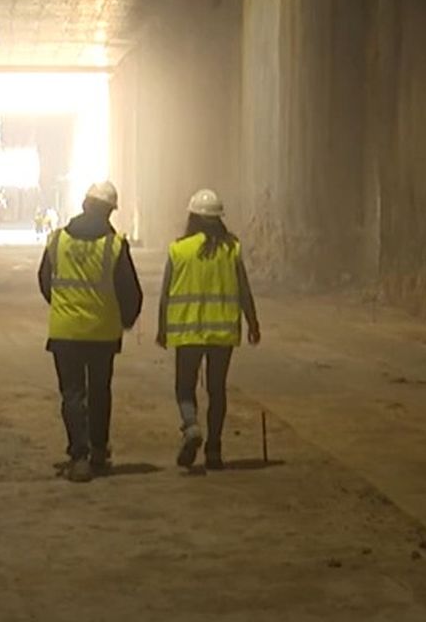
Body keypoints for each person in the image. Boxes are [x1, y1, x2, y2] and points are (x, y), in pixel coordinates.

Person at [38, 181, 142, 483]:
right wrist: (125, 319)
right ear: (110, 211)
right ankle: (98, 450)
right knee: (100, 391)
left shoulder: (57, 241)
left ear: (84, 205)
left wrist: (62, 307)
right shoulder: (114, 245)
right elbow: (130, 291)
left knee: (72, 394)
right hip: (102, 333)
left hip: (65, 332)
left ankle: (79, 456)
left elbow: (45, 281)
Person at [156, 189, 261, 471]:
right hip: (222, 332)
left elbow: (166, 293)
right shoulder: (231, 249)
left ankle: (191, 427)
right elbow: (244, 290)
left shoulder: (179, 249)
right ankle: (214, 450)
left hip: (187, 332)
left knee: (185, 387)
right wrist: (253, 322)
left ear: (192, 217)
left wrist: (161, 327)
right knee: (217, 390)